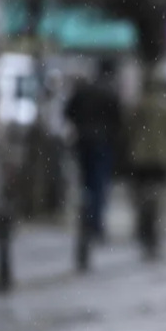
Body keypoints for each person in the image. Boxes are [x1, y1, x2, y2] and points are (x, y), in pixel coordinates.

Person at [125, 69, 166, 259]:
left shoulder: (138, 104)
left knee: (141, 194)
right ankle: (154, 230)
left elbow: (128, 129)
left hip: (140, 157)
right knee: (158, 195)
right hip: (161, 157)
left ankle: (143, 226)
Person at [63, 59, 122, 241]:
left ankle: (87, 219)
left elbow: (68, 112)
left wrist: (80, 126)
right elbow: (118, 121)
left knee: (86, 183)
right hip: (103, 143)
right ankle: (95, 223)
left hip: (83, 141)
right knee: (99, 184)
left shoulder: (84, 90)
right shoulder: (110, 93)